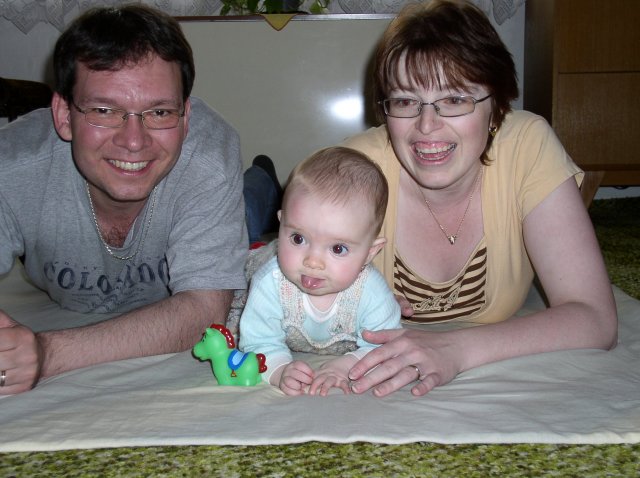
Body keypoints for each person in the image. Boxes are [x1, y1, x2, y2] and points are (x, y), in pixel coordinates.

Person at [341, 0, 617, 397]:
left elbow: (595, 319)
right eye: (405, 101)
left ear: (497, 107)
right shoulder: (355, 170)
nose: (426, 126)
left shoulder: (527, 146)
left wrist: (455, 349)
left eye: (455, 99)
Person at [0, 5, 270, 395]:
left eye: (159, 112)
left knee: (256, 209)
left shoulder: (209, 157)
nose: (133, 141)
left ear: (186, 117)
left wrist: (48, 353)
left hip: (218, 198)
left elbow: (205, 311)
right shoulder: (12, 166)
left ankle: (263, 175)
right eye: (104, 110)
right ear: (63, 115)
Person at [239, 147, 402, 396]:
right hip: (259, 257)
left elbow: (388, 345)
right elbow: (258, 341)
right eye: (298, 238)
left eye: (338, 248)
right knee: (244, 228)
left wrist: (347, 366)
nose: (313, 262)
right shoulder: (269, 283)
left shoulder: (372, 293)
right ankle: (261, 178)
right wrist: (279, 370)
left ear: (370, 253)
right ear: (281, 226)